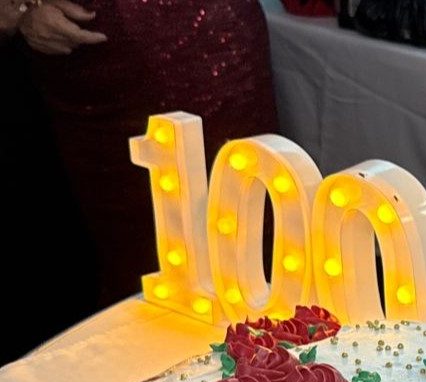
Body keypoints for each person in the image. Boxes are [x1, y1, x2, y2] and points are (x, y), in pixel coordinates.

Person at [12, 0, 278, 309]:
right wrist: (15, 9)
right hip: (92, 66)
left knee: (249, 234)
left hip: (213, 39)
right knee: (144, 259)